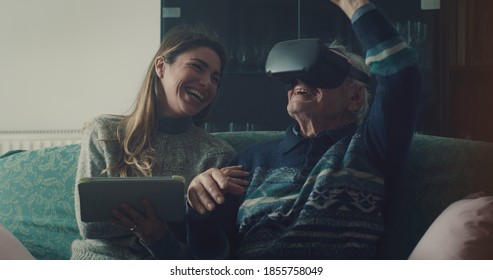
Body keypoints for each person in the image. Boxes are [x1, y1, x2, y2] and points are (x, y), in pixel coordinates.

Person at [186, 0, 421, 259]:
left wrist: (352, 3)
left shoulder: (371, 146)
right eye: (293, 75)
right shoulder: (249, 161)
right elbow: (212, 258)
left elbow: (400, 73)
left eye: (321, 72)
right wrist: (199, 212)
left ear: (354, 97)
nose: (300, 80)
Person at [70, 24, 236, 260]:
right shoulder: (104, 132)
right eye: (197, 67)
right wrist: (176, 211)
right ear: (161, 67)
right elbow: (92, 227)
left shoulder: (217, 156)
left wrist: (159, 238)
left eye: (215, 78)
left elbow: (209, 257)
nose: (206, 82)